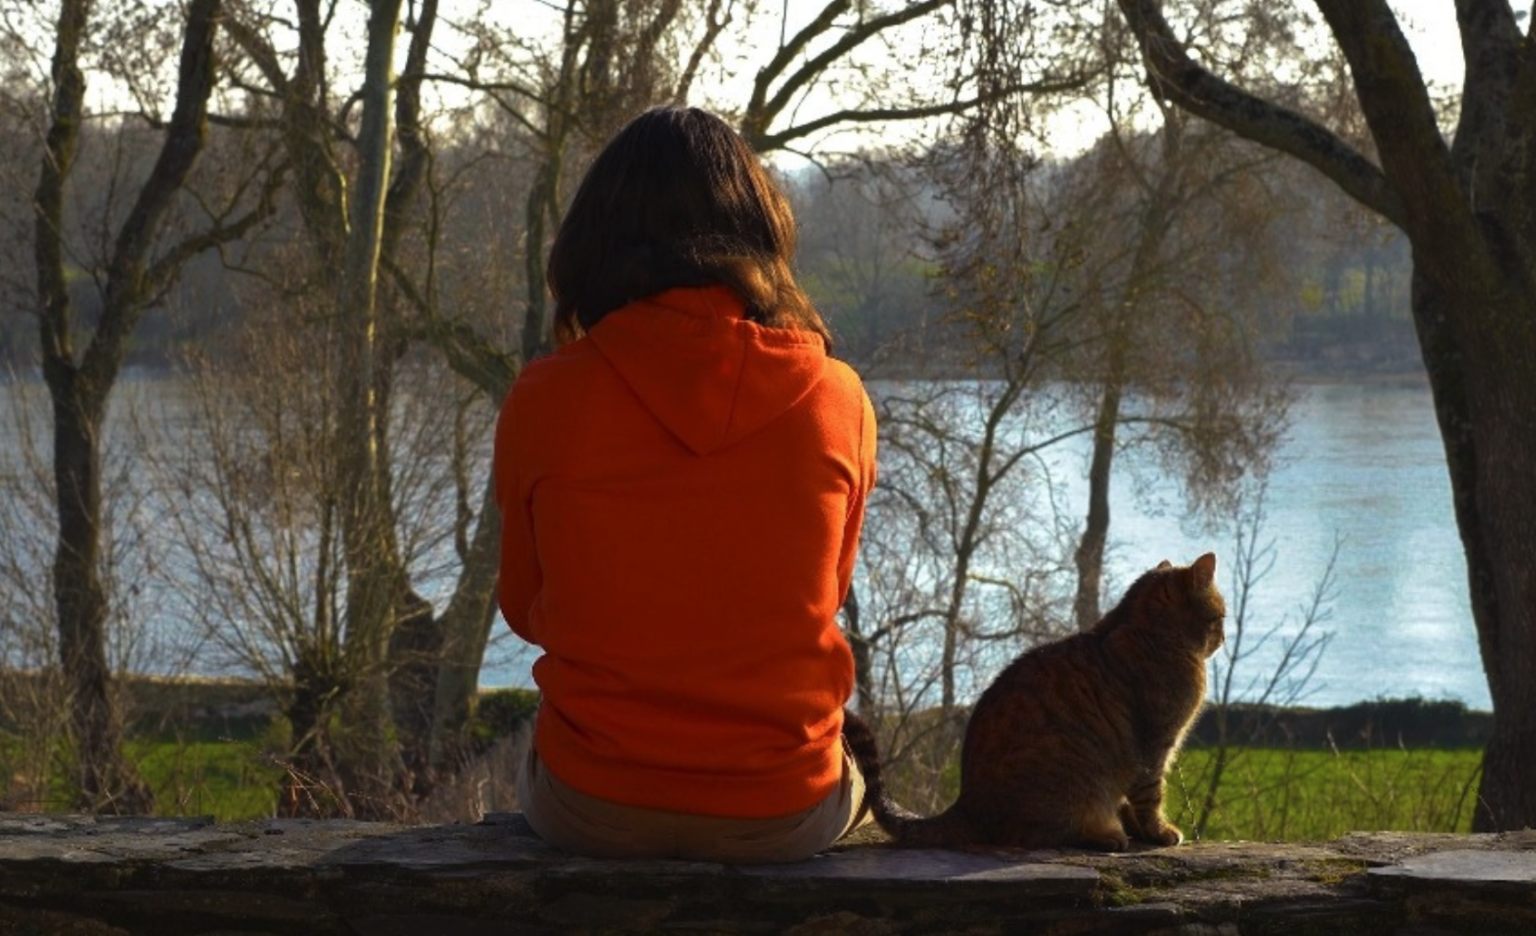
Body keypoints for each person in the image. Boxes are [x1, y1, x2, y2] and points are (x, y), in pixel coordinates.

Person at [493, 106, 878, 863]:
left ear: (590, 246)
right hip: (783, 812)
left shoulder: (545, 397)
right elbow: (823, 596)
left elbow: (525, 609)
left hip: (591, 804)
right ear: (761, 233)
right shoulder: (839, 398)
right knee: (862, 781)